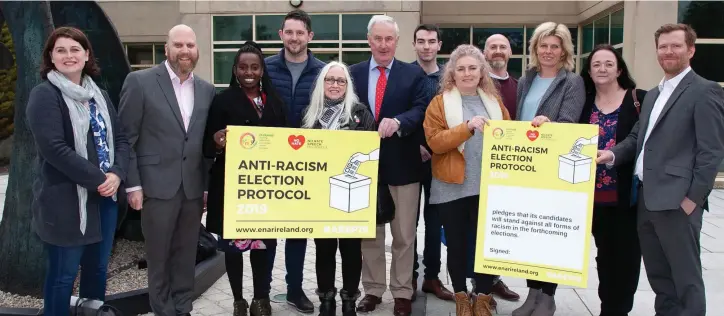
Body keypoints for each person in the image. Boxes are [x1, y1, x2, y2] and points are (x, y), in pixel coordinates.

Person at [597, 23, 724, 316]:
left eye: (676, 46)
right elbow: (636, 139)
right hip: (645, 198)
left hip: (678, 202)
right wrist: (611, 155)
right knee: (659, 276)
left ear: (690, 50)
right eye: (663, 47)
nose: (668, 52)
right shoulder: (652, 94)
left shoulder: (705, 91)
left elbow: (712, 151)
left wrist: (693, 199)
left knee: (685, 279)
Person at [26, 26, 129, 316]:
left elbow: (120, 140)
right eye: (61, 50)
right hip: (66, 203)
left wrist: (117, 174)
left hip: (104, 202)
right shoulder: (44, 95)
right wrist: (101, 179)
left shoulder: (100, 95)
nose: (68, 55)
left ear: (86, 55)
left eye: (75, 49)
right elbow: (54, 149)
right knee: (63, 276)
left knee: (97, 271)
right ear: (51, 57)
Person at [118, 24, 216, 316]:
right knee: (158, 257)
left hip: (193, 189)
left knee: (186, 255)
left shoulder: (207, 90)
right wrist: (133, 185)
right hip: (155, 187)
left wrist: (207, 186)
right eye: (178, 45)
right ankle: (162, 309)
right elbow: (126, 138)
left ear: (197, 50)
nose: (184, 51)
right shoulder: (140, 82)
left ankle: (183, 308)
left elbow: (205, 145)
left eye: (189, 45)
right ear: (167, 49)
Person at [349, 15, 429, 316]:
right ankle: (372, 290)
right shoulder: (352, 73)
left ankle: (402, 292)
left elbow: (421, 109)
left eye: (389, 39)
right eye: (378, 39)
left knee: (404, 234)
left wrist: (399, 121)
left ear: (396, 41)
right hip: (363, 168)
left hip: (404, 166)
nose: (383, 44)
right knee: (369, 234)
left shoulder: (413, 74)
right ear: (369, 40)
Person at [423, 44, 511, 316]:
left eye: (473, 68)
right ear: (452, 73)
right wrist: (467, 127)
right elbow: (435, 142)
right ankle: (462, 296)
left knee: (486, 246)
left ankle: (483, 296)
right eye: (461, 68)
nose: (467, 73)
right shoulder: (440, 102)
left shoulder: (494, 103)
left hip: (488, 186)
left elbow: (510, 136)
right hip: (452, 187)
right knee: (458, 246)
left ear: (482, 71)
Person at [202, 41, 283, 316]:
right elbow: (206, 146)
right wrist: (216, 142)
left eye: (255, 67)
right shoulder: (222, 100)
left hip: (266, 189)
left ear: (262, 70)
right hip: (232, 189)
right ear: (235, 70)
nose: (249, 72)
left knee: (262, 246)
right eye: (243, 67)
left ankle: (261, 299)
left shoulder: (275, 101)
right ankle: (238, 300)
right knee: (234, 249)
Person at [511, 22, 585, 316]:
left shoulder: (572, 82)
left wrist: (550, 126)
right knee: (530, 234)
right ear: (535, 49)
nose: (549, 51)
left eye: (555, 46)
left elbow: (569, 124)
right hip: (527, 169)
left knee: (550, 236)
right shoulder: (525, 80)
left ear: (564, 50)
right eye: (543, 45)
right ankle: (532, 293)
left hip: (553, 170)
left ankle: (547, 297)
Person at [299, 61, 375, 316]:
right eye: (330, 80)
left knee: (352, 249)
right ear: (322, 83)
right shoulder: (310, 114)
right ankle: (326, 300)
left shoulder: (360, 112)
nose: (334, 85)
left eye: (340, 81)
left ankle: (349, 300)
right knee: (324, 249)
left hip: (351, 194)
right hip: (322, 195)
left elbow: (371, 152)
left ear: (347, 85)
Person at [264, 10, 325, 312]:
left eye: (300, 33)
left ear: (310, 37)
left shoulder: (323, 72)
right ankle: (261, 291)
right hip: (269, 162)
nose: (295, 38)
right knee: (266, 231)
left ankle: (294, 289)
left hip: (306, 163)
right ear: (281, 35)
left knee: (298, 231)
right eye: (289, 32)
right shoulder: (264, 68)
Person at [578, 44, 644, 316]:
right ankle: (608, 306)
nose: (602, 69)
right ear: (589, 71)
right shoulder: (584, 102)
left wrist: (613, 155)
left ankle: (619, 310)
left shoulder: (639, 98)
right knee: (604, 257)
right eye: (596, 64)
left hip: (626, 196)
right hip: (591, 197)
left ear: (619, 69)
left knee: (626, 258)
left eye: (608, 63)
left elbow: (638, 139)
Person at [409, 23, 454, 302]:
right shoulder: (404, 75)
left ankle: (432, 277)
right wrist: (417, 145)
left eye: (431, 41)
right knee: (408, 223)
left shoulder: (449, 79)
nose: (426, 46)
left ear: (439, 45)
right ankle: (409, 276)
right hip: (411, 160)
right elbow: (402, 112)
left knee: (435, 221)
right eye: (421, 41)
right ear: (414, 44)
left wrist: (435, 147)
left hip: (441, 160)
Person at [477, 33, 521, 303]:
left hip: (508, 170)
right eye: (492, 47)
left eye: (502, 47)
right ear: (484, 52)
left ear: (510, 53)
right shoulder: (475, 85)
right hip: (475, 169)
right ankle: (476, 284)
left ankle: (492, 280)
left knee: (498, 232)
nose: (497, 51)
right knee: (474, 231)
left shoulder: (520, 86)